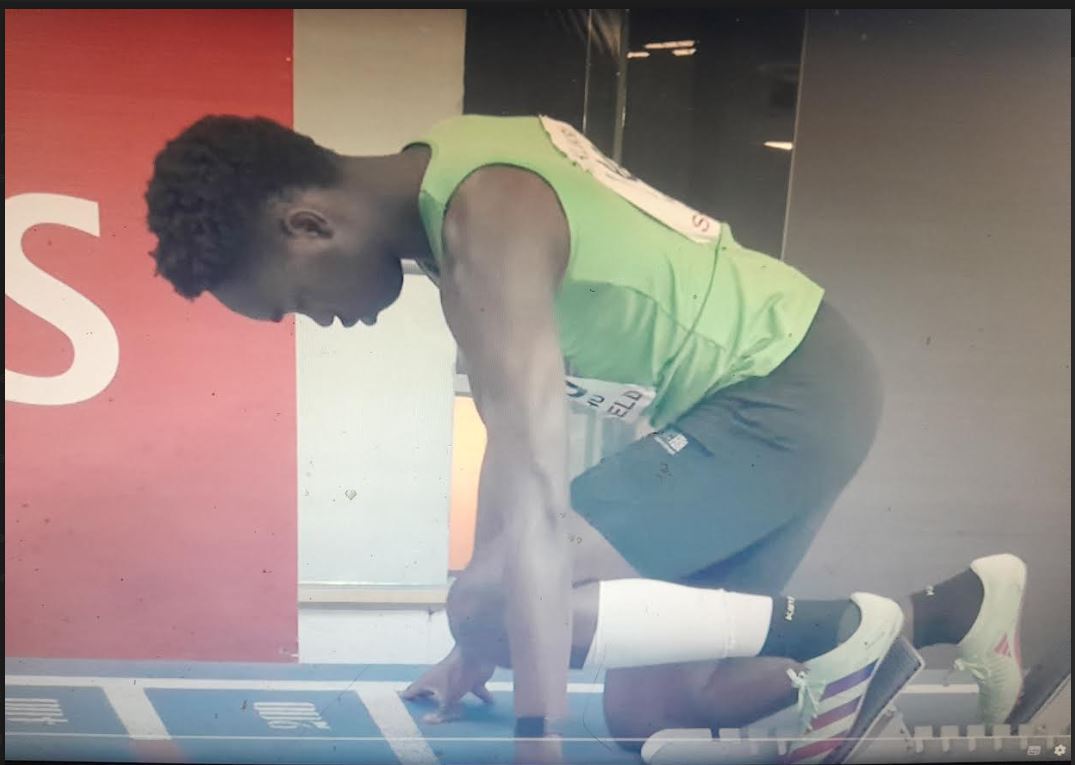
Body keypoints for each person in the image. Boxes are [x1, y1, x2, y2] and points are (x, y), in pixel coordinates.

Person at [145, 114, 1027, 764]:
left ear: (306, 224)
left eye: (296, 299)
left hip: (783, 393)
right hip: (793, 390)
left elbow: (538, 494)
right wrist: (478, 645)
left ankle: (838, 629)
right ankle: (950, 609)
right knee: (652, 711)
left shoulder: (487, 220)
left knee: (491, 601)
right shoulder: (451, 183)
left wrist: (539, 734)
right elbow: (509, 446)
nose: (320, 320)